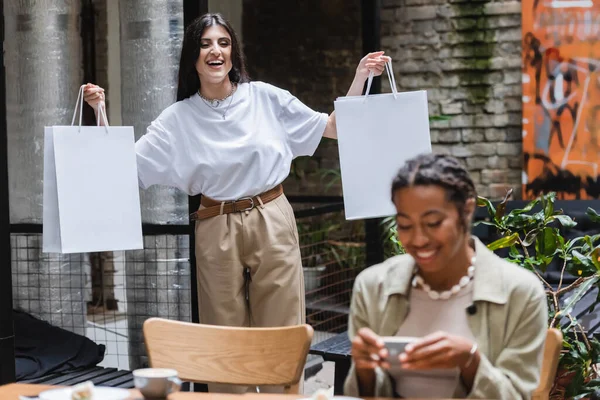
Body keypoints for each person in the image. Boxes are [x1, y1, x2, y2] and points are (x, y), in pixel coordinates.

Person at [83, 13, 389, 392]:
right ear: (193, 57)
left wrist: (361, 76)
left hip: (271, 214)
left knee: (281, 327)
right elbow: (122, 168)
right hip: (215, 221)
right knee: (221, 333)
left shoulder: (266, 97)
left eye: (224, 43)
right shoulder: (177, 118)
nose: (216, 51)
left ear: (233, 53)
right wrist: (99, 111)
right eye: (206, 43)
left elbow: (333, 128)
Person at [344, 153, 548, 399]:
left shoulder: (520, 293)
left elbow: (516, 395)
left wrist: (470, 361)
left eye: (433, 223)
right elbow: (361, 394)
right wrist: (364, 370)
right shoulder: (372, 286)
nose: (419, 240)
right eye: (405, 226)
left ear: (467, 211)